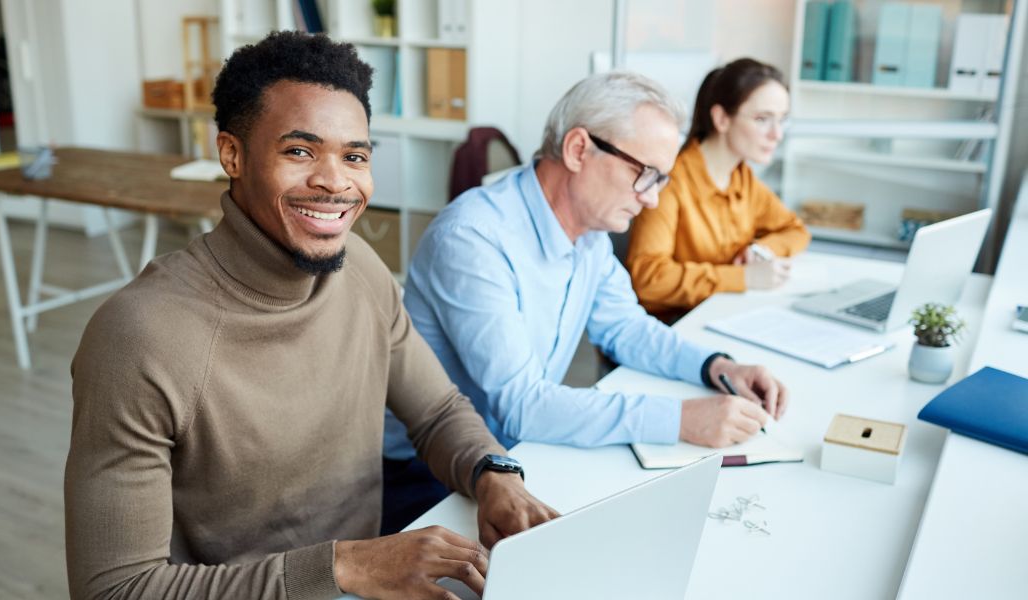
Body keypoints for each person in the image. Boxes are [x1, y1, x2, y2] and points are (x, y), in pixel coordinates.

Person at [63, 31, 556, 600]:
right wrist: (343, 567)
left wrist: (492, 472)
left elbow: (438, 410)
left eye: (355, 156)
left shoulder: (362, 270)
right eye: (300, 151)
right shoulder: (137, 337)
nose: (335, 182)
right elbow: (114, 589)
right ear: (232, 154)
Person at [381, 71, 791, 527]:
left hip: (514, 454)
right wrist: (680, 419)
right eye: (646, 175)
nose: (652, 200)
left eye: (662, 181)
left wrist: (717, 365)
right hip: (427, 477)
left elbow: (625, 328)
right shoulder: (473, 238)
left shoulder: (589, 231)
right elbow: (522, 407)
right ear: (579, 150)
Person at [626, 58, 811, 321]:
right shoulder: (672, 182)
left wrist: (762, 250)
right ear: (722, 118)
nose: (777, 134)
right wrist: (742, 277)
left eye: (782, 120)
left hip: (722, 314)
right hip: (674, 327)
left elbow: (796, 230)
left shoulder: (741, 179)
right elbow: (649, 279)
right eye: (762, 119)